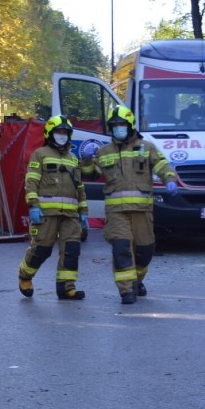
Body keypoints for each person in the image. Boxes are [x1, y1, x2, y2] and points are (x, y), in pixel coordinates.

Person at [81, 105, 179, 304]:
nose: (118, 128)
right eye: (115, 125)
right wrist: (86, 161)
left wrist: (170, 178)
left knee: (145, 251)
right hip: (117, 213)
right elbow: (91, 175)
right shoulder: (104, 151)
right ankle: (126, 291)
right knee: (121, 248)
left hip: (142, 210)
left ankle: (136, 279)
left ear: (130, 125)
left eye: (122, 124)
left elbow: (162, 165)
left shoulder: (146, 147)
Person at [17, 116, 88, 300]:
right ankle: (25, 275)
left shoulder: (73, 158)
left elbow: (79, 187)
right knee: (42, 249)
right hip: (46, 213)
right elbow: (31, 181)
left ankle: (66, 288)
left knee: (72, 250)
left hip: (70, 215)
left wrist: (84, 211)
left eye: (65, 132)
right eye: (59, 131)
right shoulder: (40, 154)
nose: (62, 135)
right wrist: (33, 205)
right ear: (50, 133)